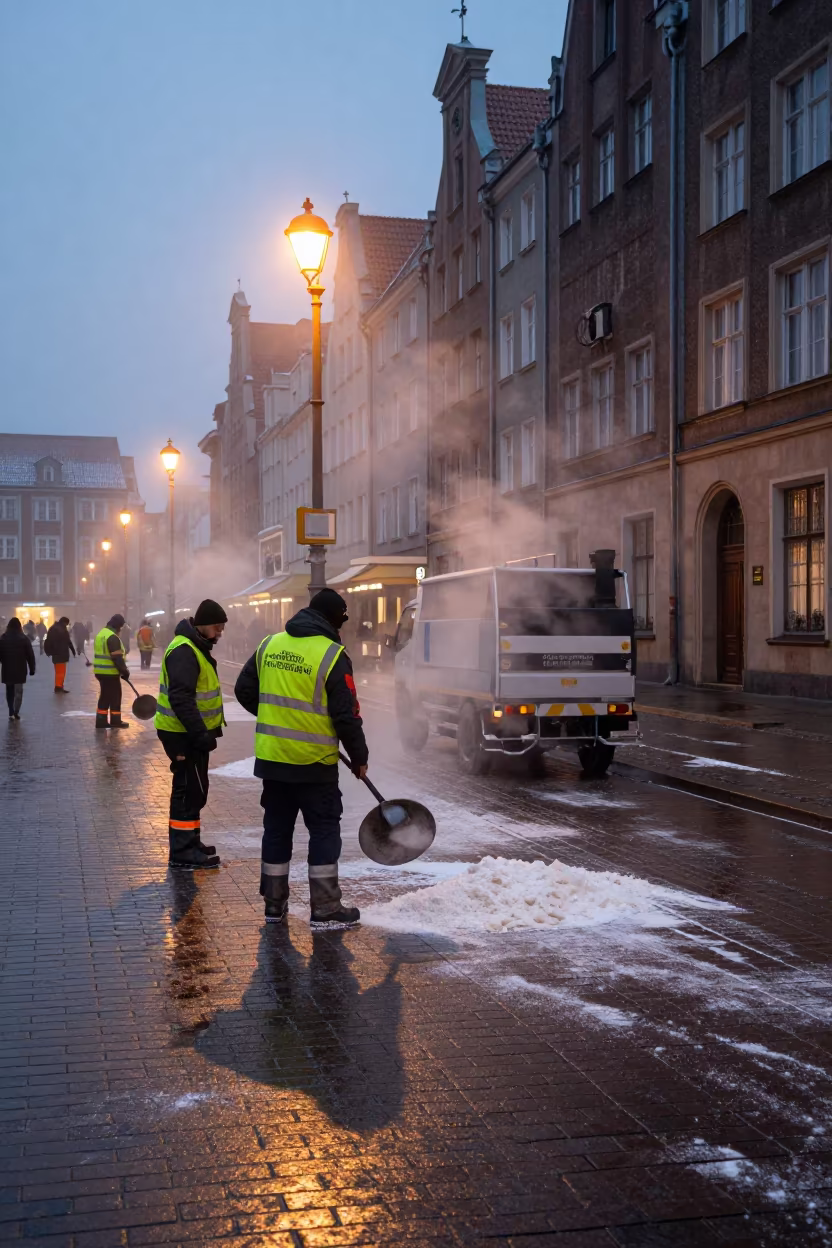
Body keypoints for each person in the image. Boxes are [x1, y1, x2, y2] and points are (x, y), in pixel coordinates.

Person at [234, 587, 369, 930]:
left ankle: (273, 905)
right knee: (323, 830)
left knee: (276, 831)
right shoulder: (332, 654)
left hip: (274, 760)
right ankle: (324, 908)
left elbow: (244, 690)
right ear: (334, 619)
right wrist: (359, 757)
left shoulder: (270, 644)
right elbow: (346, 715)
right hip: (314, 765)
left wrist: (278, 720)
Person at [155, 599, 227, 871]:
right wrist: (199, 733)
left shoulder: (194, 646)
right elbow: (181, 698)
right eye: (218, 627)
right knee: (186, 791)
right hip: (181, 734)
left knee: (195, 788)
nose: (220, 632)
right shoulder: (185, 651)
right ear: (204, 625)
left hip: (188, 733)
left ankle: (192, 842)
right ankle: (183, 852)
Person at [93, 614, 131, 729]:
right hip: (109, 672)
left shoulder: (101, 634)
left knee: (106, 696)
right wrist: (125, 671)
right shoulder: (112, 637)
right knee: (114, 696)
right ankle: (114, 721)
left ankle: (102, 720)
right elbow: (117, 658)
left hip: (100, 671)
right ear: (118, 625)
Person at [0, 618, 36, 720]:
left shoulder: (3, 638)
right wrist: (32, 668)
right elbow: (30, 655)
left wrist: (3, 661)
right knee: (19, 691)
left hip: (7, 668)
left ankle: (10, 711)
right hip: (20, 668)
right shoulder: (24, 638)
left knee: (9, 690)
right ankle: (16, 711)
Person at [44, 616, 76, 692]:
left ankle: (59, 686)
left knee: (59, 671)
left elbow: (49, 640)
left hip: (56, 653)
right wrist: (72, 649)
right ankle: (58, 687)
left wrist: (50, 651)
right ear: (65, 622)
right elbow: (68, 640)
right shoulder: (61, 629)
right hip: (61, 652)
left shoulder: (53, 628)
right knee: (61, 671)